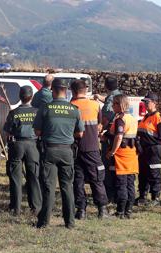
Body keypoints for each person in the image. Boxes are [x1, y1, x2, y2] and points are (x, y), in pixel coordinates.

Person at [33, 78, 84, 229]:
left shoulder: (46, 108)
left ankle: (43, 222)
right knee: (67, 186)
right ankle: (70, 222)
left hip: (49, 150)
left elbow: (37, 131)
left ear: (53, 91)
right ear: (66, 91)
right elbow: (80, 133)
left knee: (49, 187)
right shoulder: (74, 109)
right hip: (67, 151)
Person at [70, 80, 109, 219]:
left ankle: (81, 210)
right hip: (92, 147)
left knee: (78, 180)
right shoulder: (95, 105)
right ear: (85, 90)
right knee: (97, 179)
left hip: (74, 149)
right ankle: (102, 210)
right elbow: (99, 125)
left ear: (73, 91)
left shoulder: (70, 106)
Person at [4, 86, 42, 216]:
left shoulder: (14, 112)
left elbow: (8, 131)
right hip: (33, 145)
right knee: (34, 177)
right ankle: (36, 207)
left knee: (15, 177)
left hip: (17, 145)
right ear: (31, 97)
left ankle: (15, 208)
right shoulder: (38, 112)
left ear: (20, 97)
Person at [106, 94, 138, 219]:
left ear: (120, 105)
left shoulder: (120, 119)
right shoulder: (132, 118)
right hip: (132, 153)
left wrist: (112, 151)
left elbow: (119, 136)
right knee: (130, 183)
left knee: (121, 184)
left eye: (114, 103)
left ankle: (120, 211)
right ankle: (128, 210)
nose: (112, 106)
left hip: (121, 154)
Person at [135, 93, 161, 206]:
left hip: (153, 149)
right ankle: (142, 196)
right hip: (143, 150)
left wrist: (158, 148)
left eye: (147, 102)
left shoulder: (158, 117)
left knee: (154, 173)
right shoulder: (145, 117)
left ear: (154, 103)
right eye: (144, 102)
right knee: (143, 173)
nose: (145, 104)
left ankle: (155, 198)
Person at [95, 76, 121, 204]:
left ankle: (110, 194)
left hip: (110, 138)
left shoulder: (111, 99)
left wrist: (99, 129)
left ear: (106, 86)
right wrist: (100, 98)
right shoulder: (119, 95)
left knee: (108, 165)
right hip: (119, 138)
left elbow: (106, 117)